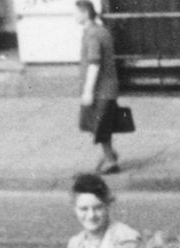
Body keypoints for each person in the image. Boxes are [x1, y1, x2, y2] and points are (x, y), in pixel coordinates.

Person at [75, 1, 121, 175]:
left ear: (85, 13)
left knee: (99, 126)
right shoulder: (101, 31)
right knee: (101, 125)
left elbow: (94, 64)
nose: (74, 16)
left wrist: (88, 91)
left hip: (101, 90)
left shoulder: (93, 35)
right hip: (108, 88)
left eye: (76, 12)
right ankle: (109, 154)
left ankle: (110, 160)